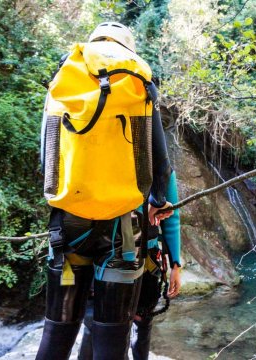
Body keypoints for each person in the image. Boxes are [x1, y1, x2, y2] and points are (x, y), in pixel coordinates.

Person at [36, 22, 174, 360]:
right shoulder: (138, 79)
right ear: (128, 46)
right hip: (123, 229)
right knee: (111, 341)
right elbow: (161, 160)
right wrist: (158, 201)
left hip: (69, 225)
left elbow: (45, 155)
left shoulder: (67, 75)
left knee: (57, 331)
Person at [78, 169, 181, 360]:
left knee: (141, 319)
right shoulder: (106, 160)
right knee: (95, 320)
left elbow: (172, 220)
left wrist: (176, 264)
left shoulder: (162, 169)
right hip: (106, 254)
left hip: (145, 257)